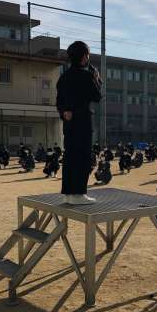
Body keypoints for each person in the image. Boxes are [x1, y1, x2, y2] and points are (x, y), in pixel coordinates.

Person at [56, 41, 102, 204]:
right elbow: (97, 96)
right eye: (87, 55)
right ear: (83, 57)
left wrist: (64, 112)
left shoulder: (63, 77)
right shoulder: (87, 75)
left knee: (69, 157)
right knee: (82, 157)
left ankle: (68, 194)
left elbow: (59, 101)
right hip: (83, 121)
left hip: (69, 123)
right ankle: (79, 194)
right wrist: (96, 78)